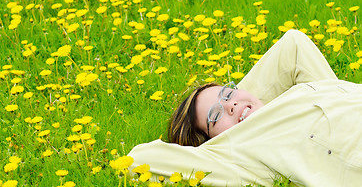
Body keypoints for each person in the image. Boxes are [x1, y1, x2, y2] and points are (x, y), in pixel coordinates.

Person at [128, 30, 362, 186]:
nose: (231, 105)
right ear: (211, 143)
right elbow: (138, 160)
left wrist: (246, 105)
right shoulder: (240, 155)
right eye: (215, 116)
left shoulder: (292, 100)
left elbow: (294, 44)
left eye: (228, 93)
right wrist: (216, 145)